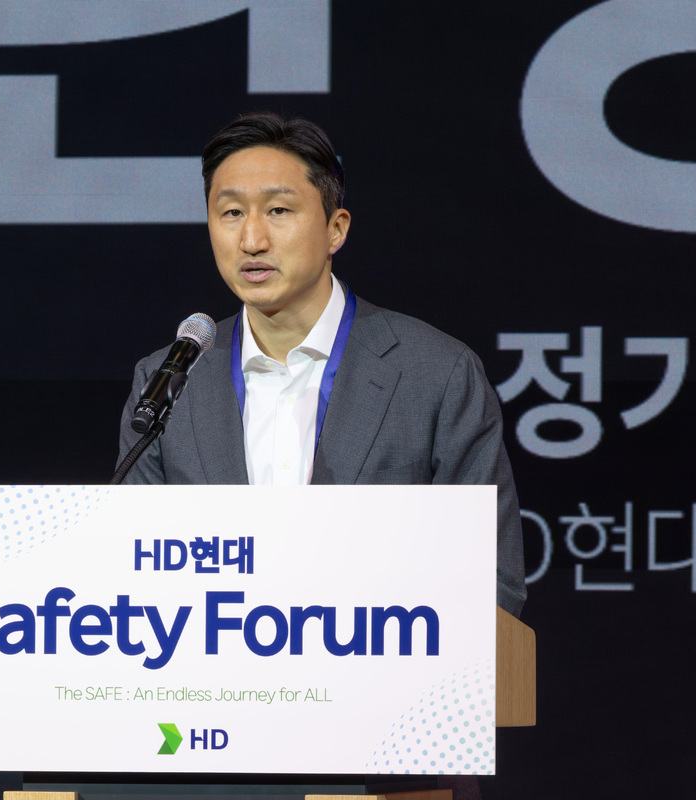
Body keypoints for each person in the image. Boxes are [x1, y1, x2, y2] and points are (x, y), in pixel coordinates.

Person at [119, 111, 526, 617]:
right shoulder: (168, 382)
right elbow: (134, 573)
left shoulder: (437, 374)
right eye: (231, 213)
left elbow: (491, 581)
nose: (252, 240)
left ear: (336, 229)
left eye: (279, 210)